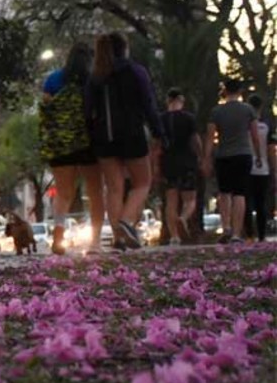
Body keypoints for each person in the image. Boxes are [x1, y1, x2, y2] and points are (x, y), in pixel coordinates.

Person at [85, 32, 164, 251]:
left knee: (114, 189)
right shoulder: (135, 71)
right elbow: (148, 104)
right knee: (142, 183)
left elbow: (87, 110)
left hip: (104, 138)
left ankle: (118, 238)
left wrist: (93, 135)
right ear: (124, 49)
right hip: (132, 134)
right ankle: (127, 221)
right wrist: (158, 131)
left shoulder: (96, 76)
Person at [40, 43, 105, 254]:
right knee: (95, 192)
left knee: (63, 193)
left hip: (61, 144)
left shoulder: (53, 79)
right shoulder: (93, 81)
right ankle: (95, 241)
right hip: (88, 143)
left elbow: (46, 111)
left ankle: (58, 237)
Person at [202, 79, 262, 243]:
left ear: (225, 91)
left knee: (224, 192)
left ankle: (226, 227)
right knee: (240, 193)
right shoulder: (248, 110)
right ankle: (236, 233)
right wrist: (258, 156)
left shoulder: (217, 111)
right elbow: (255, 136)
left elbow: (209, 137)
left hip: (223, 156)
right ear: (240, 91)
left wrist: (206, 158)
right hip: (243, 154)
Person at [155, 88, 201, 245]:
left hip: (168, 162)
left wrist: (155, 165)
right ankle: (183, 217)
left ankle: (174, 236)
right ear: (181, 100)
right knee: (190, 199)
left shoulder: (160, 119)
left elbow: (156, 144)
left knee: (171, 200)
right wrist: (201, 157)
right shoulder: (189, 118)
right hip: (187, 160)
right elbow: (195, 140)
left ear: (168, 100)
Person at [244, 95, 274, 242]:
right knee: (261, 203)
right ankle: (262, 236)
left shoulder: (244, 125)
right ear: (261, 107)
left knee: (246, 202)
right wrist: (274, 168)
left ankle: (249, 235)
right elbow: (271, 149)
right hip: (263, 169)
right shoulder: (267, 125)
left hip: (246, 167)